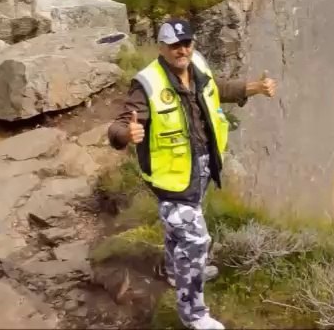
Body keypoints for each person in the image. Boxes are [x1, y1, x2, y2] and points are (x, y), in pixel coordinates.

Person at [108, 19, 277, 330]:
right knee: (197, 241)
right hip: (171, 178)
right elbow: (120, 123)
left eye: (186, 43)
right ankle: (194, 315)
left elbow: (217, 89)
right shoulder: (147, 83)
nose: (182, 50)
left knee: (181, 233)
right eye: (174, 45)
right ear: (162, 48)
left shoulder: (197, 64)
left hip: (199, 168)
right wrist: (126, 134)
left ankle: (176, 271)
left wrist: (253, 88)